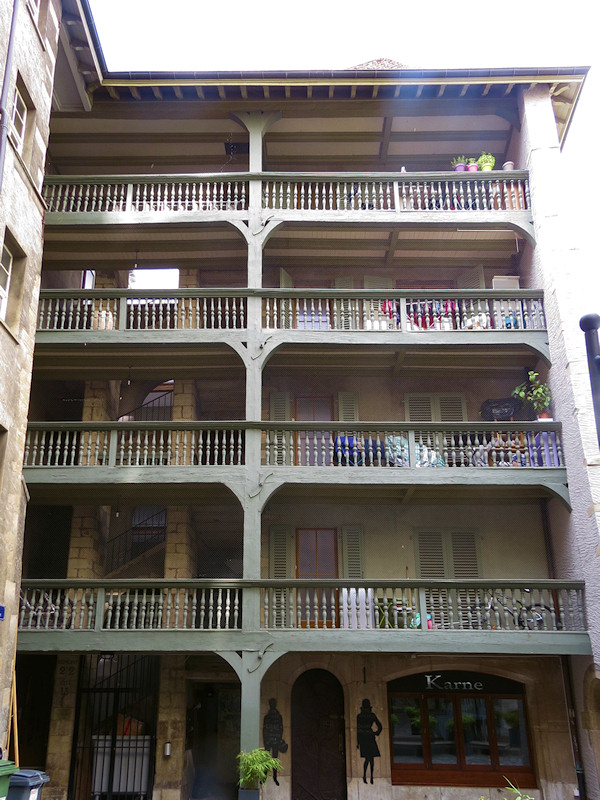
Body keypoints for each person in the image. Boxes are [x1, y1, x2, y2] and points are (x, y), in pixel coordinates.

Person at [356, 698, 382, 784]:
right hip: (369, 737)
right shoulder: (371, 715)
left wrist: (358, 742)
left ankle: (366, 776)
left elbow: (358, 730)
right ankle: (370, 777)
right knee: (370, 759)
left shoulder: (359, 716)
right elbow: (380, 726)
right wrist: (376, 733)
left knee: (368, 759)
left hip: (363, 738)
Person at [263, 698, 286, 785]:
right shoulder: (269, 717)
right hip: (271, 740)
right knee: (271, 759)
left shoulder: (275, 717)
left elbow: (280, 729)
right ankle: (268, 777)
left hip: (272, 741)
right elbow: (265, 730)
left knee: (273, 759)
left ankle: (273, 777)